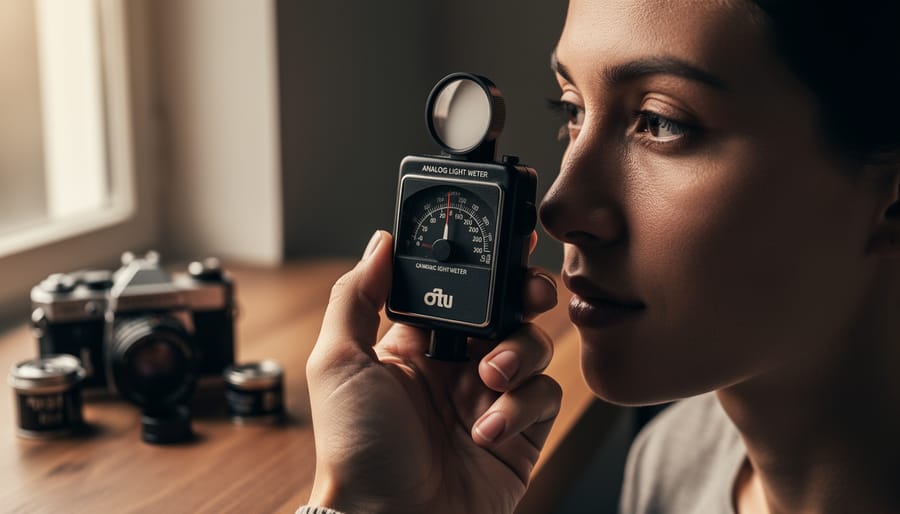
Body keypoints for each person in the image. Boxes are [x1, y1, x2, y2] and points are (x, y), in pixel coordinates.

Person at [301, 0, 900, 513]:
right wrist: (372, 506)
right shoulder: (669, 463)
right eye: (572, 109)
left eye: (661, 122)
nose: (558, 208)